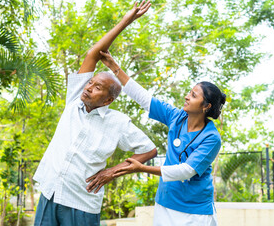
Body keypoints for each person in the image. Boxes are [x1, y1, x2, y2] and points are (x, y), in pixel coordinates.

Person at [33, 1, 157, 226]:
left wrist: (113, 171)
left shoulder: (118, 122)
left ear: (109, 99)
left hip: (82, 203)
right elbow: (95, 53)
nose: (89, 87)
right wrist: (126, 21)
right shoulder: (74, 100)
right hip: (50, 192)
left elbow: (149, 150)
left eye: (97, 87)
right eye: (90, 82)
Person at [92, 50, 226, 226]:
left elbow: (186, 170)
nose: (186, 96)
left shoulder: (211, 137)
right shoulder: (176, 117)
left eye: (193, 95)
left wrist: (142, 168)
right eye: (189, 92)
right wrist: (114, 67)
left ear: (206, 106)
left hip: (195, 212)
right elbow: (144, 98)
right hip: (166, 204)